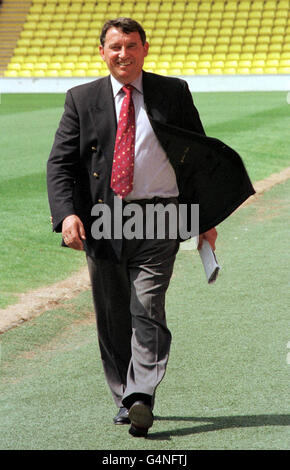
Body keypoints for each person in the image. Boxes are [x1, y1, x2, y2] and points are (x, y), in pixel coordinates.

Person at [47, 18, 254, 438]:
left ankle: (141, 396)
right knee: (112, 313)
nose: (123, 54)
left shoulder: (172, 92)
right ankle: (124, 394)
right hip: (104, 219)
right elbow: (62, 164)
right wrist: (68, 214)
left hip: (160, 217)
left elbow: (199, 159)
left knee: (147, 305)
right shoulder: (81, 99)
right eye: (115, 47)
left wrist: (205, 222)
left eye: (131, 45)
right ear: (102, 52)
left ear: (145, 48)